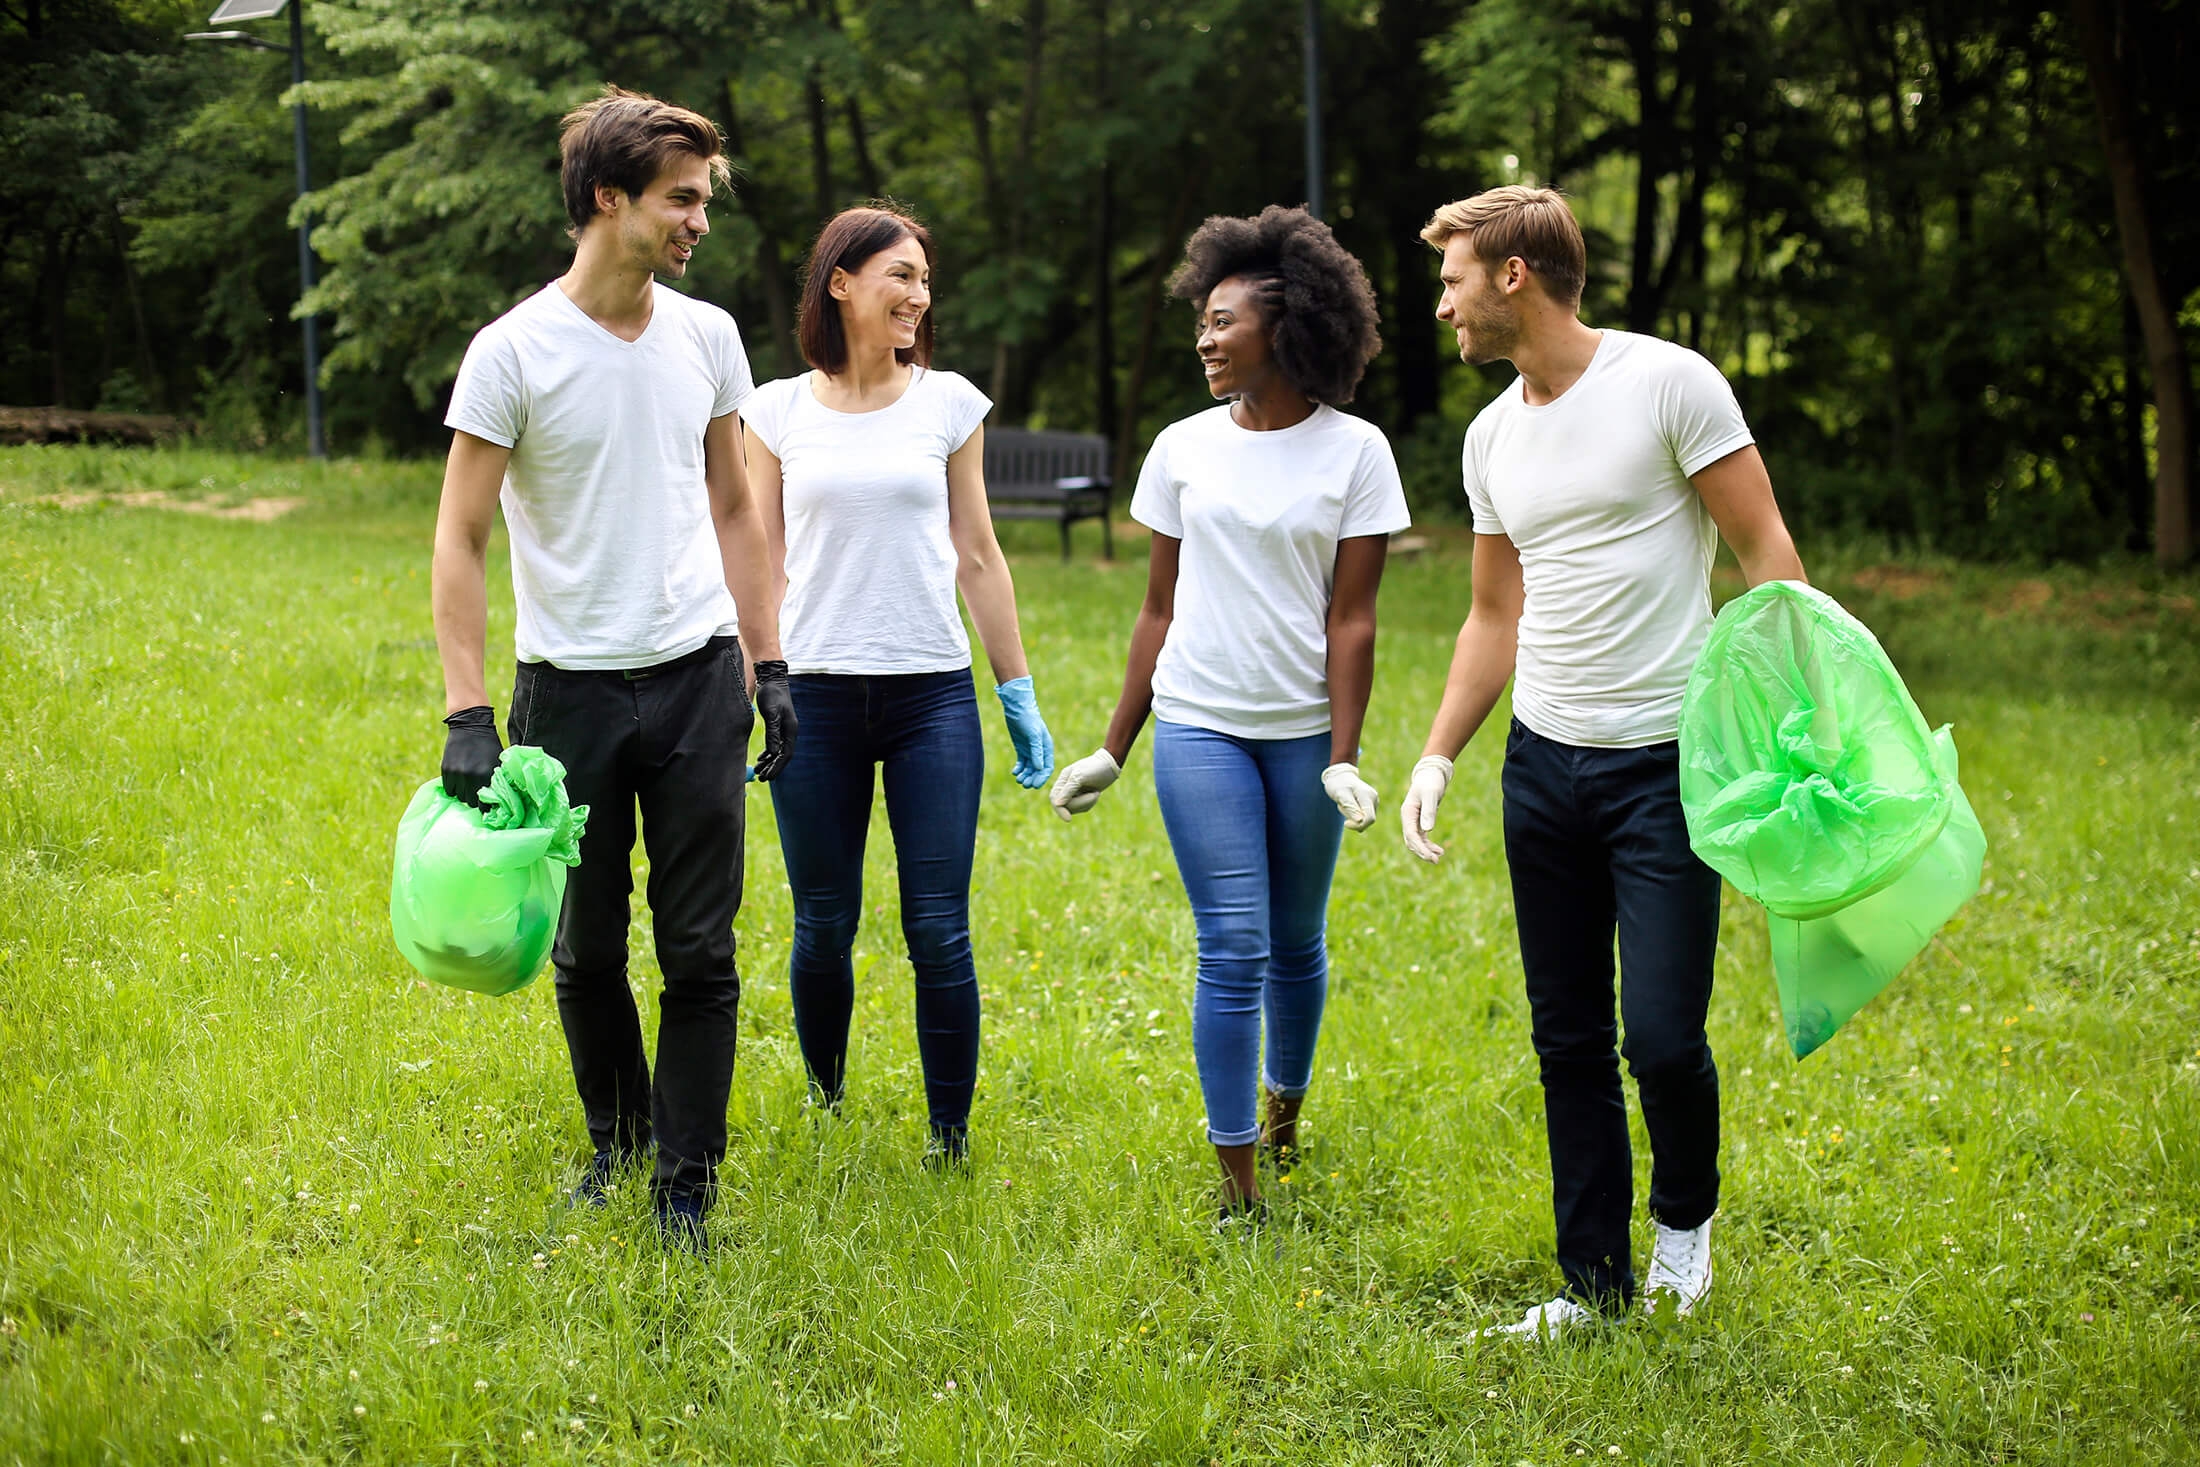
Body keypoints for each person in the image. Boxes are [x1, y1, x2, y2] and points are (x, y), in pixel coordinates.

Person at [1399, 186, 1807, 1334]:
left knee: (1662, 1040)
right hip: (1542, 770)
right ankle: (1591, 1283)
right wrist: (1437, 754)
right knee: (1566, 1038)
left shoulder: (1668, 383)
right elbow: (1493, 614)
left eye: (1452, 281)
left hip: (1665, 767)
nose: (1443, 307)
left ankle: (1683, 1233)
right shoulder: (1491, 435)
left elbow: (1764, 550)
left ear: (1513, 275)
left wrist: (1803, 712)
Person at [431, 87, 796, 1254]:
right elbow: (459, 537)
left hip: (697, 680)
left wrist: (769, 662)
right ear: (608, 198)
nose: (699, 222)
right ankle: (618, 1143)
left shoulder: (708, 336)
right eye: (680, 200)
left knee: (700, 951)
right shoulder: (513, 351)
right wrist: (469, 711)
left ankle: (686, 1185)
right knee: (585, 948)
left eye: (703, 200)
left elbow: (736, 507)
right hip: (566, 695)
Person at [1051, 205, 1408, 1222]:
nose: (1204, 340)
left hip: (1302, 735)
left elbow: (1352, 619)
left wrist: (1343, 754)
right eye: (1200, 322)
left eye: (1222, 322)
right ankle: (1236, 1176)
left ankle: (1285, 1113)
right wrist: (1114, 748)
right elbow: (1156, 609)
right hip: (1199, 724)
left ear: (1286, 327)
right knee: (1235, 943)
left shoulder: (1357, 453)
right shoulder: (1181, 448)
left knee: (1296, 940)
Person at [741, 205, 1055, 1166]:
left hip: (932, 700)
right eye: (901, 275)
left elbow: (979, 551)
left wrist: (1016, 689)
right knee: (823, 920)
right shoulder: (774, 411)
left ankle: (949, 1137)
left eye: (924, 279)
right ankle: (826, 1100)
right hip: (813, 699)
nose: (919, 295)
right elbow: (760, 557)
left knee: (939, 928)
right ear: (841, 283)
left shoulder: (949, 403)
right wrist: (754, 678)